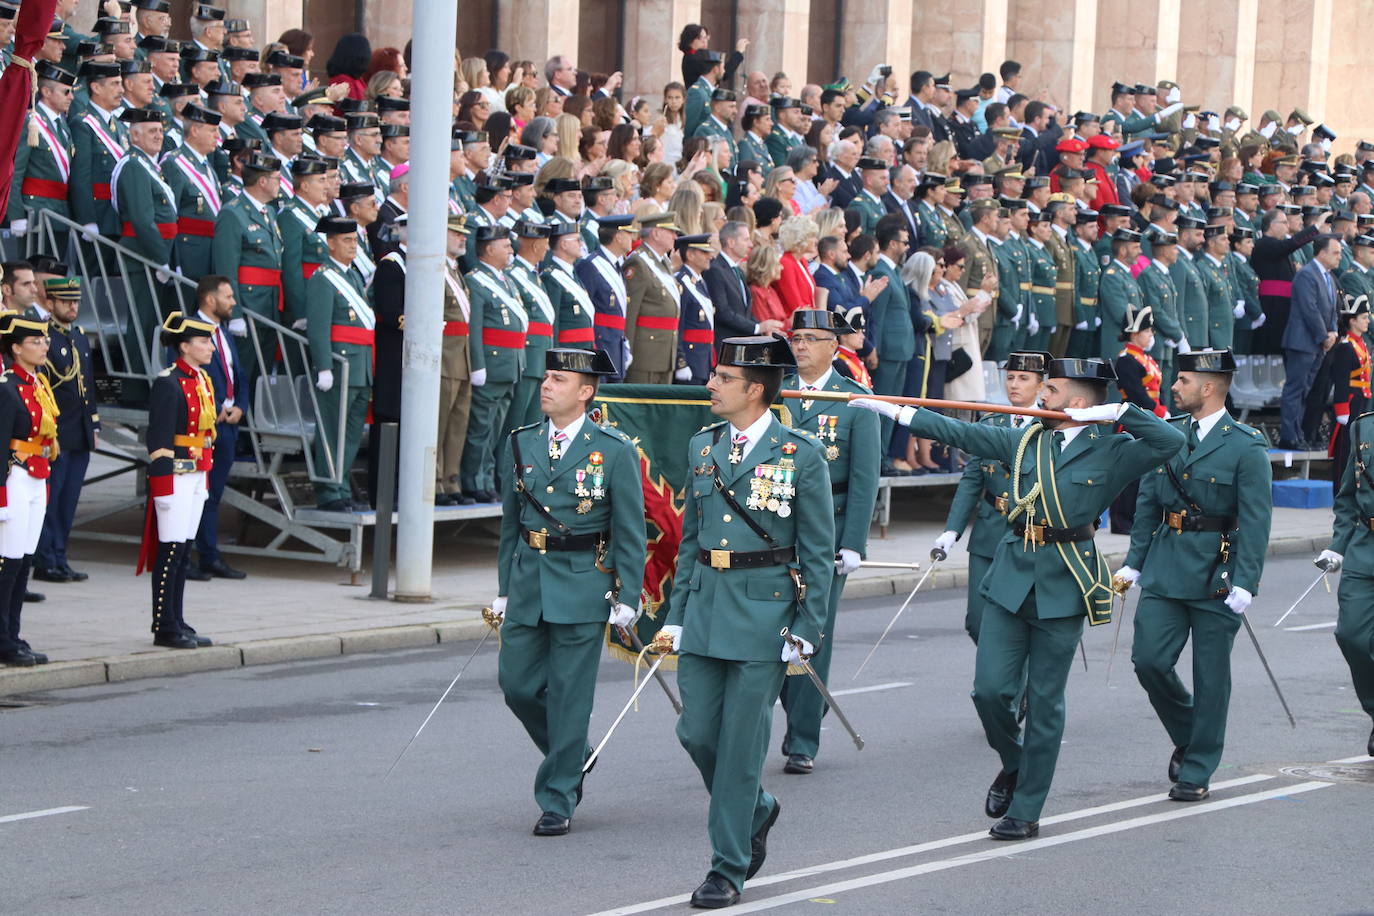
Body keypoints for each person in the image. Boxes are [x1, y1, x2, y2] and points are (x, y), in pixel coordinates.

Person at [853, 358, 1184, 839]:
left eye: (1051, 388)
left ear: (1077, 400)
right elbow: (960, 434)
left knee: (1046, 704)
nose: (1040, 396)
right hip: (1011, 576)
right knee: (988, 691)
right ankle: (1015, 763)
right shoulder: (1026, 438)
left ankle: (1025, 809)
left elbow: (1171, 442)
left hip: (1065, 580)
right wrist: (895, 411)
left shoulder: (1113, 449)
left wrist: (1118, 413)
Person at [653, 336, 834, 908]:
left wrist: (808, 625)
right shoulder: (702, 447)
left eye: (722, 378)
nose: (710, 385)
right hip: (706, 606)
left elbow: (818, 550)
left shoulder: (799, 454)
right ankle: (757, 808)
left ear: (754, 389)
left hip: (765, 613)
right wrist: (676, 615)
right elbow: (689, 544)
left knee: (738, 747)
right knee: (696, 732)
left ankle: (726, 868)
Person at [492, 347, 646, 837]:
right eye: (546, 378)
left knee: (570, 697)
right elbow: (510, 525)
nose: (546, 386)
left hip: (583, 581)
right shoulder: (521, 442)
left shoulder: (614, 449)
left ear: (586, 392)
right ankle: (575, 752)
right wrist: (502, 590)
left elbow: (630, 530)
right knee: (516, 685)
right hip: (528, 581)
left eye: (558, 380)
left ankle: (558, 797)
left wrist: (629, 593)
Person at [1116, 349, 1270, 801]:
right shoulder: (1169, 436)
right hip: (1165, 566)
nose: (1174, 388)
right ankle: (1190, 734)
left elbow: (1257, 519)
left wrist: (1246, 580)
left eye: (1182, 381)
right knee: (1148, 660)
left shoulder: (1245, 444)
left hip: (1216, 572)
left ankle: (1197, 768)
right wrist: (1134, 560)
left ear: (1207, 387)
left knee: (1211, 677)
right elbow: (1148, 502)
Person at [778, 310, 880, 774]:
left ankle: (802, 739)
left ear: (833, 347)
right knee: (770, 632)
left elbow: (864, 478)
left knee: (811, 633)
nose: (799, 346)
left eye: (810, 339)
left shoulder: (855, 401)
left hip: (828, 530)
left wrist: (854, 542)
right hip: (772, 529)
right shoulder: (774, 391)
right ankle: (804, 706)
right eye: (795, 337)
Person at [936, 351, 1048, 642]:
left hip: (1029, 536)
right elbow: (972, 480)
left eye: (1024, 378)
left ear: (1040, 385)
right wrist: (952, 530)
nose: (1014, 384)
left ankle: (1007, 685)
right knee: (978, 621)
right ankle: (999, 682)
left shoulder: (1051, 428)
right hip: (988, 533)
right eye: (1010, 377)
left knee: (1017, 621)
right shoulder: (990, 424)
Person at [140, 311, 218, 651]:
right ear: (184, 346)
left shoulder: (201, 379)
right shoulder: (168, 382)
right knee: (170, 551)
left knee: (184, 551)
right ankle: (164, 624)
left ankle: (176, 617)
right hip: (175, 475)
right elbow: (158, 442)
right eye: (203, 341)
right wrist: (161, 490)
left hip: (197, 472)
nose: (211, 347)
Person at [31, 278, 98, 585]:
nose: (73, 307)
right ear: (50, 303)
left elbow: (88, 386)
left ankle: (60, 556)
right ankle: (46, 560)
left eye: (76, 302)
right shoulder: (43, 338)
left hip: (80, 431)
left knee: (69, 500)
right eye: (66, 302)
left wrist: (94, 424)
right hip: (57, 432)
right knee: (51, 500)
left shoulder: (80, 337)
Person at [0, 315, 58, 668]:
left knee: (24, 561)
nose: (43, 346)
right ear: (16, 348)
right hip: (15, 476)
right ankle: (3, 638)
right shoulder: (6, 387)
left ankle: (14, 633)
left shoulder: (39, 383)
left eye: (44, 341)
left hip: (37, 474)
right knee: (8, 561)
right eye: (35, 342)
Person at [306, 216, 373, 512]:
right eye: (346, 241)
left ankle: (342, 485)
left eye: (355, 241)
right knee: (333, 430)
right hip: (340, 365)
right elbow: (318, 327)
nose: (352, 246)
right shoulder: (323, 278)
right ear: (330, 243)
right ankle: (329, 491)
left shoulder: (354, 276)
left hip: (361, 366)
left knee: (350, 434)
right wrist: (323, 366)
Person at [183, 275, 247, 580]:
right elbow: (185, 376)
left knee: (213, 495)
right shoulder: (188, 330)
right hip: (203, 427)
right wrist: (217, 406)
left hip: (228, 425)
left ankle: (209, 556)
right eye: (228, 296)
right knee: (192, 495)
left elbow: (239, 373)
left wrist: (241, 407)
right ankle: (184, 558)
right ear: (210, 299)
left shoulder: (224, 333)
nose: (233, 302)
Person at [462, 226, 526, 503]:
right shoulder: (476, 281)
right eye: (505, 245)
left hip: (509, 365)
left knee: (496, 429)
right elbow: (474, 328)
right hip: (491, 365)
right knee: (481, 427)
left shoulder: (505, 280)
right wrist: (478, 365)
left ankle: (485, 478)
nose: (511, 249)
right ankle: (472, 479)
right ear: (488, 249)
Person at [212, 151, 285, 391]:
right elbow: (226, 269)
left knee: (259, 375)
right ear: (262, 182)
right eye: (276, 178)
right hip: (249, 305)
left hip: (268, 304)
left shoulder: (269, 211)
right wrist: (235, 314)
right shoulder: (233, 213)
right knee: (241, 372)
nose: (280, 183)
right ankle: (238, 426)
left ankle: (251, 424)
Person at [1280, 234, 1342, 449]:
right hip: (1302, 342)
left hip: (1318, 343)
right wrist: (1324, 336)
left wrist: (1333, 331)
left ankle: (1299, 434)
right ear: (1322, 252)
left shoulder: (1329, 276)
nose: (1339, 257)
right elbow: (1310, 309)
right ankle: (1289, 436)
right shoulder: (1307, 274)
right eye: (1335, 252)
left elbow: (1333, 309)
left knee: (1306, 391)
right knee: (1295, 390)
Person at [868, 215, 916, 473]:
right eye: (904, 242)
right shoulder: (881, 272)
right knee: (882, 407)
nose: (907, 246)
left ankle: (883, 456)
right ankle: (878, 459)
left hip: (900, 350)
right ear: (891, 243)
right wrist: (873, 347)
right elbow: (879, 315)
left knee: (892, 408)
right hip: (887, 351)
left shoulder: (894, 271)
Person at [507, 220, 558, 428]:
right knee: (517, 423)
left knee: (533, 424)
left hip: (539, 358)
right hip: (528, 359)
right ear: (536, 245)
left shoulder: (533, 276)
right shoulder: (514, 275)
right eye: (545, 243)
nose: (547, 249)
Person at [623, 212, 683, 384]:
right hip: (645, 355)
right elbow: (631, 312)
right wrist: (628, 350)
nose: (675, 236)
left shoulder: (663, 263)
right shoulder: (638, 263)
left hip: (665, 353)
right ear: (655, 233)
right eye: (670, 231)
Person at [576, 214, 635, 381]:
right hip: (600, 342)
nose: (633, 237)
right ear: (618, 237)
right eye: (629, 233)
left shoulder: (617, 265)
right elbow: (586, 309)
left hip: (616, 343)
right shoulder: (591, 265)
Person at [1326, 295, 1371, 486]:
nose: (1367, 321)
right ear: (1352, 321)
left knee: (1359, 448)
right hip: (1350, 402)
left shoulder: (1360, 343)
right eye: (1363, 317)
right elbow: (1342, 380)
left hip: (1361, 399)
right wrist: (1341, 410)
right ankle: (1339, 489)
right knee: (1345, 449)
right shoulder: (1345, 347)